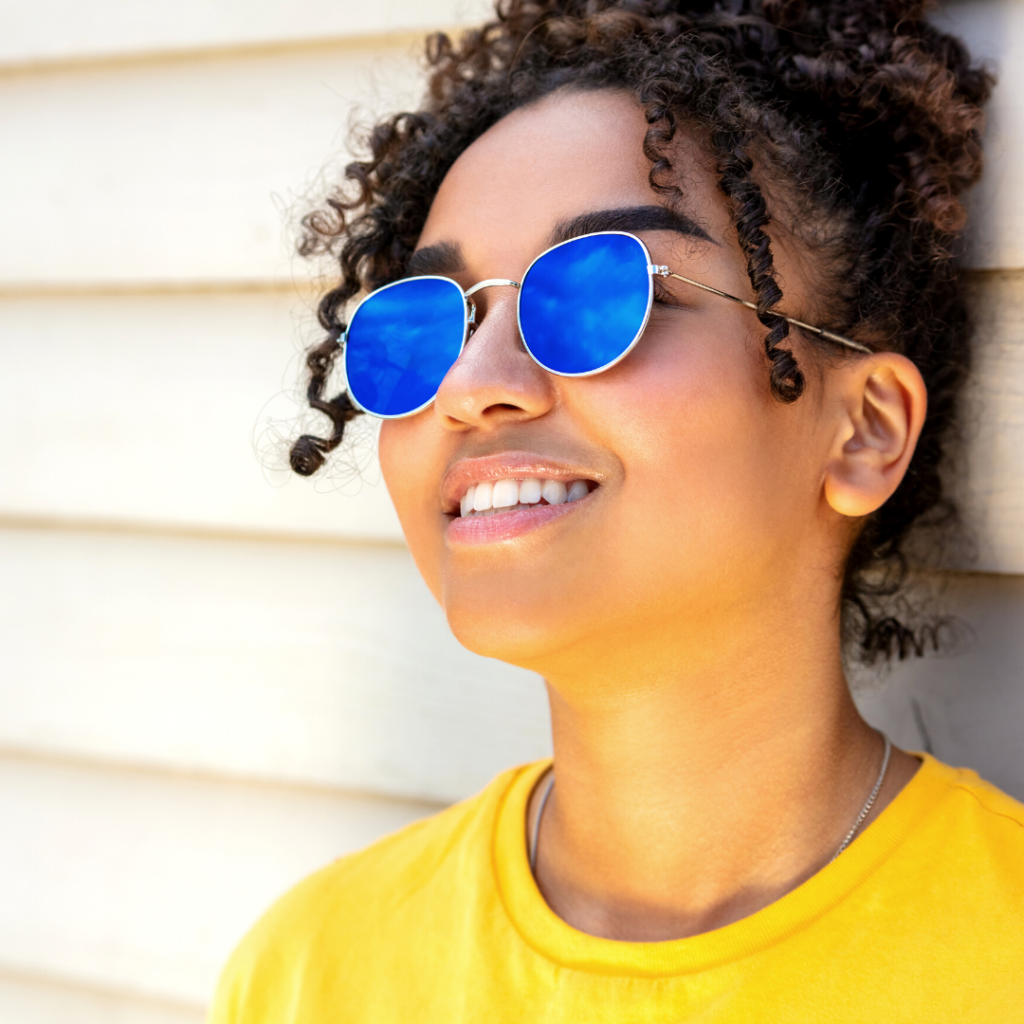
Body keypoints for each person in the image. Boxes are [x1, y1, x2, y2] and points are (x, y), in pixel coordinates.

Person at [210, 2, 1023, 1020]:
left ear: (862, 429)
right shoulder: (310, 973)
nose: (472, 382)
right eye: (426, 322)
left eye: (599, 294)